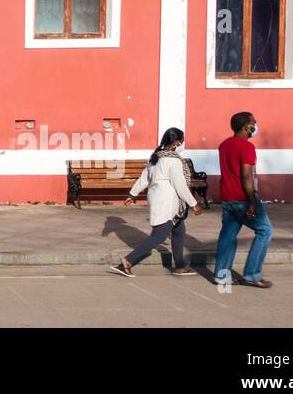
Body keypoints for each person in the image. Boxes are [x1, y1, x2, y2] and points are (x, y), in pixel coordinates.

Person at [109, 127, 202, 277]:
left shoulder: (155, 157)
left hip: (159, 199)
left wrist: (132, 194)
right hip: (167, 203)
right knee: (158, 236)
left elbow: (143, 179)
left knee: (179, 232)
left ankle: (179, 266)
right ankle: (127, 261)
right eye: (182, 140)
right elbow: (180, 185)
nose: (183, 143)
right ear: (176, 143)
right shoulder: (173, 161)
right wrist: (193, 204)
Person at [213, 111, 273, 289]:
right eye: (254, 123)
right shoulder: (247, 147)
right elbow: (246, 176)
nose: (256, 126)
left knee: (228, 235)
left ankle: (221, 276)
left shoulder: (224, 145)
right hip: (242, 198)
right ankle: (252, 274)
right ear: (247, 127)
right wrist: (252, 201)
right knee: (265, 231)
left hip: (227, 197)